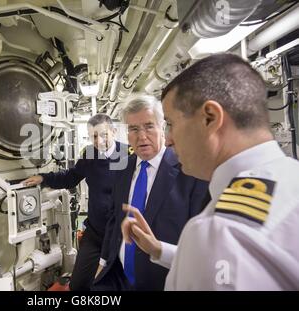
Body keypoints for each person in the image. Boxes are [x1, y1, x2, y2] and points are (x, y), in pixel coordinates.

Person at [121, 53, 299, 290]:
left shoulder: (218, 233)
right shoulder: (291, 177)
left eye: (171, 124)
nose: (170, 139)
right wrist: (159, 250)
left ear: (210, 118)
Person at [92, 95, 209, 291]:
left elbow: (202, 244)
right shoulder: (123, 169)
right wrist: (103, 263)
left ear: (162, 127)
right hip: (119, 279)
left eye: (149, 126)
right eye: (134, 129)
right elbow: (114, 220)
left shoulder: (189, 171)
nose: (142, 136)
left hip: (164, 281)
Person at [23, 113, 129, 291]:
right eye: (94, 136)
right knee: (79, 284)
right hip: (95, 234)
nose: (98, 140)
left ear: (113, 131)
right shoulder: (89, 155)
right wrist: (43, 178)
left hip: (120, 236)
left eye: (103, 134)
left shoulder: (128, 156)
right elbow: (71, 177)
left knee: (117, 285)